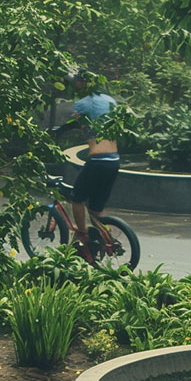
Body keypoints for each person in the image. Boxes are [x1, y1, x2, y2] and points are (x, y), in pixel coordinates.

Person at [67, 91, 120, 262]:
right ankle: (106, 238)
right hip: (114, 161)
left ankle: (82, 236)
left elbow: (74, 121)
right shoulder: (110, 101)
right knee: (96, 208)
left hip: (97, 161)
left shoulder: (83, 103)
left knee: (77, 198)